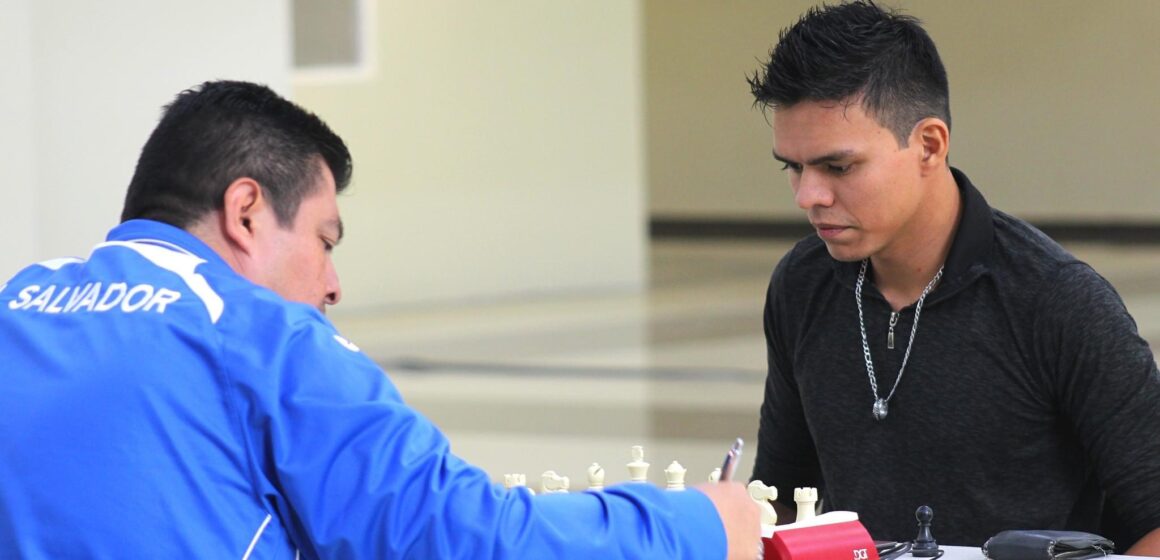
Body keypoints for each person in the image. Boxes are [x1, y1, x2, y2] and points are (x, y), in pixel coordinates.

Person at [0, 80, 760, 559]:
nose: (332, 286)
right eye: (324, 242)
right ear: (245, 211)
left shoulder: (18, 308)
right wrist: (695, 526)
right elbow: (462, 538)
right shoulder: (264, 340)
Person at [747, 1, 1160, 555]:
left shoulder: (1057, 301)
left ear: (929, 145)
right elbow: (778, 499)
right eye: (792, 167)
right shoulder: (802, 283)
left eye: (838, 167)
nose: (808, 196)